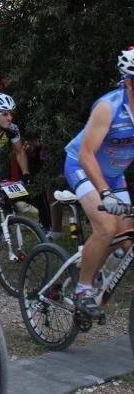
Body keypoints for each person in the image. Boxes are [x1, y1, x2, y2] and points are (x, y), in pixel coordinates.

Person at [64, 48, 134, 318]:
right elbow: (86, 153)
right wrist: (105, 193)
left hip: (115, 174)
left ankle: (90, 265)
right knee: (107, 226)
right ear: (129, 82)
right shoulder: (109, 107)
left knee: (125, 237)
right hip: (81, 166)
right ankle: (83, 288)